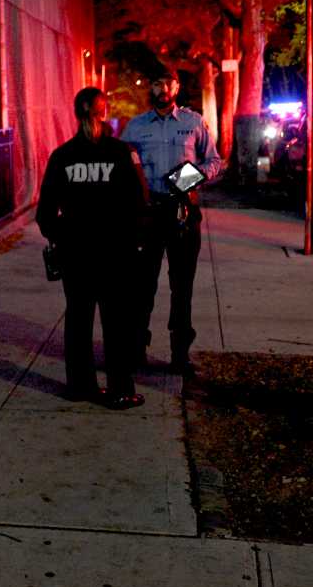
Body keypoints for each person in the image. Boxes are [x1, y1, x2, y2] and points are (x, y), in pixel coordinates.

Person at [36, 87, 149, 409]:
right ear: (104, 112)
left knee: (78, 321)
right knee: (117, 324)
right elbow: (140, 203)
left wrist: (65, 237)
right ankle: (120, 389)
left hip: (77, 255)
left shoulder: (63, 156)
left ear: (77, 114)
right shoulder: (121, 153)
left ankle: (80, 387)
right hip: (116, 253)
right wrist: (135, 241)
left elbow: (45, 214)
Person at [120, 63, 223, 377]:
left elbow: (215, 160)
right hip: (147, 214)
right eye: (156, 83)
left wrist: (190, 179)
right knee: (141, 285)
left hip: (182, 212)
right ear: (149, 87)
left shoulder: (193, 122)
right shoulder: (135, 127)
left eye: (169, 84)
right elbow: (122, 165)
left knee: (183, 286)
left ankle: (180, 354)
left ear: (176, 88)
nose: (162, 89)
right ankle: (136, 349)